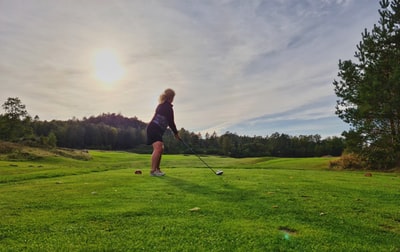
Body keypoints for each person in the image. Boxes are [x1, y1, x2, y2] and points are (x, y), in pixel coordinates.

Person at [146, 88, 181, 176]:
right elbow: (171, 122)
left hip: (156, 129)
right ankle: (153, 171)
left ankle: (157, 169)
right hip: (153, 128)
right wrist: (176, 134)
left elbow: (170, 122)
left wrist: (175, 133)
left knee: (160, 149)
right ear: (171, 97)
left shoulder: (163, 105)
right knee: (158, 148)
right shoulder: (166, 107)